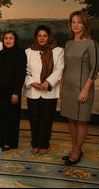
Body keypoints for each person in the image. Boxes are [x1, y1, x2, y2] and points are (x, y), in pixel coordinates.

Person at [60, 11, 99, 166]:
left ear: (85, 25)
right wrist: (62, 86)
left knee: (81, 120)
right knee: (71, 118)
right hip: (68, 87)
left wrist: (85, 89)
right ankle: (74, 148)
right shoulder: (68, 43)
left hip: (83, 87)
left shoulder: (91, 43)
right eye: (73, 22)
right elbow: (65, 67)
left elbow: (94, 68)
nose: (76, 25)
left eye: (79, 22)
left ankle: (77, 151)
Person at [24, 25, 64, 156]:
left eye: (44, 36)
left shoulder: (58, 51)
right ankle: (35, 143)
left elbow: (59, 69)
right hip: (33, 91)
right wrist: (31, 82)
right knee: (34, 119)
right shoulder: (29, 51)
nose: (42, 38)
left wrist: (48, 82)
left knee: (46, 120)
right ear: (36, 37)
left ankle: (44, 144)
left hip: (49, 92)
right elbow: (24, 70)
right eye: (39, 36)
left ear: (49, 37)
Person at [0, 31, 27, 152]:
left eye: (11, 38)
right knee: (1, 116)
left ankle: (10, 142)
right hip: (0, 91)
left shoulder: (20, 54)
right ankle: (1, 139)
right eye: (6, 38)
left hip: (12, 92)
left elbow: (20, 75)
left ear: (15, 40)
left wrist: (16, 92)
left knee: (12, 118)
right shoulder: (1, 54)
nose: (8, 40)